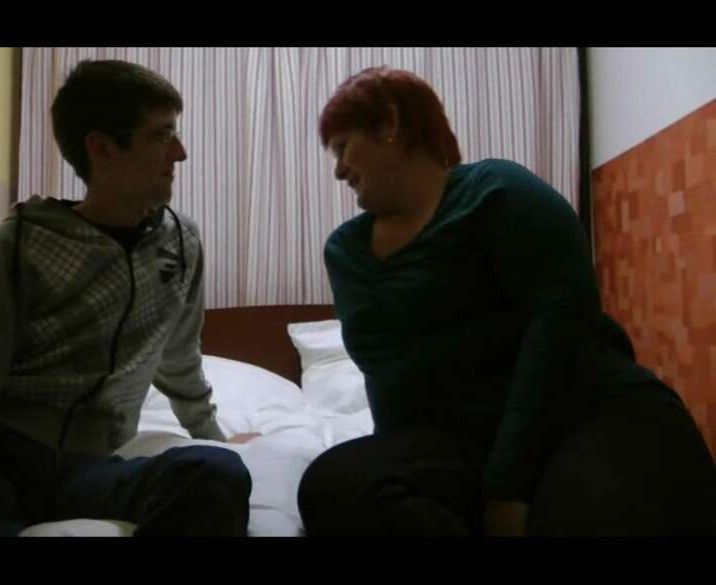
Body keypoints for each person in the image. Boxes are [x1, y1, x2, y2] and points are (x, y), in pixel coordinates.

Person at [297, 66, 716, 536]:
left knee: (606, 508)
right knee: (333, 485)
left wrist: (507, 486)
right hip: (457, 443)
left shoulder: (498, 191)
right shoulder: (348, 252)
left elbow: (562, 332)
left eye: (343, 147)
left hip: (579, 411)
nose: (338, 170)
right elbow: (390, 378)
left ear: (390, 123)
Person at [0, 60, 257, 536]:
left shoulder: (181, 244)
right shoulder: (22, 245)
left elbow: (179, 360)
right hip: (1, 462)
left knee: (217, 474)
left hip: (91, 467)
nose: (180, 153)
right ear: (102, 148)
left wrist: (215, 439)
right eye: (161, 136)